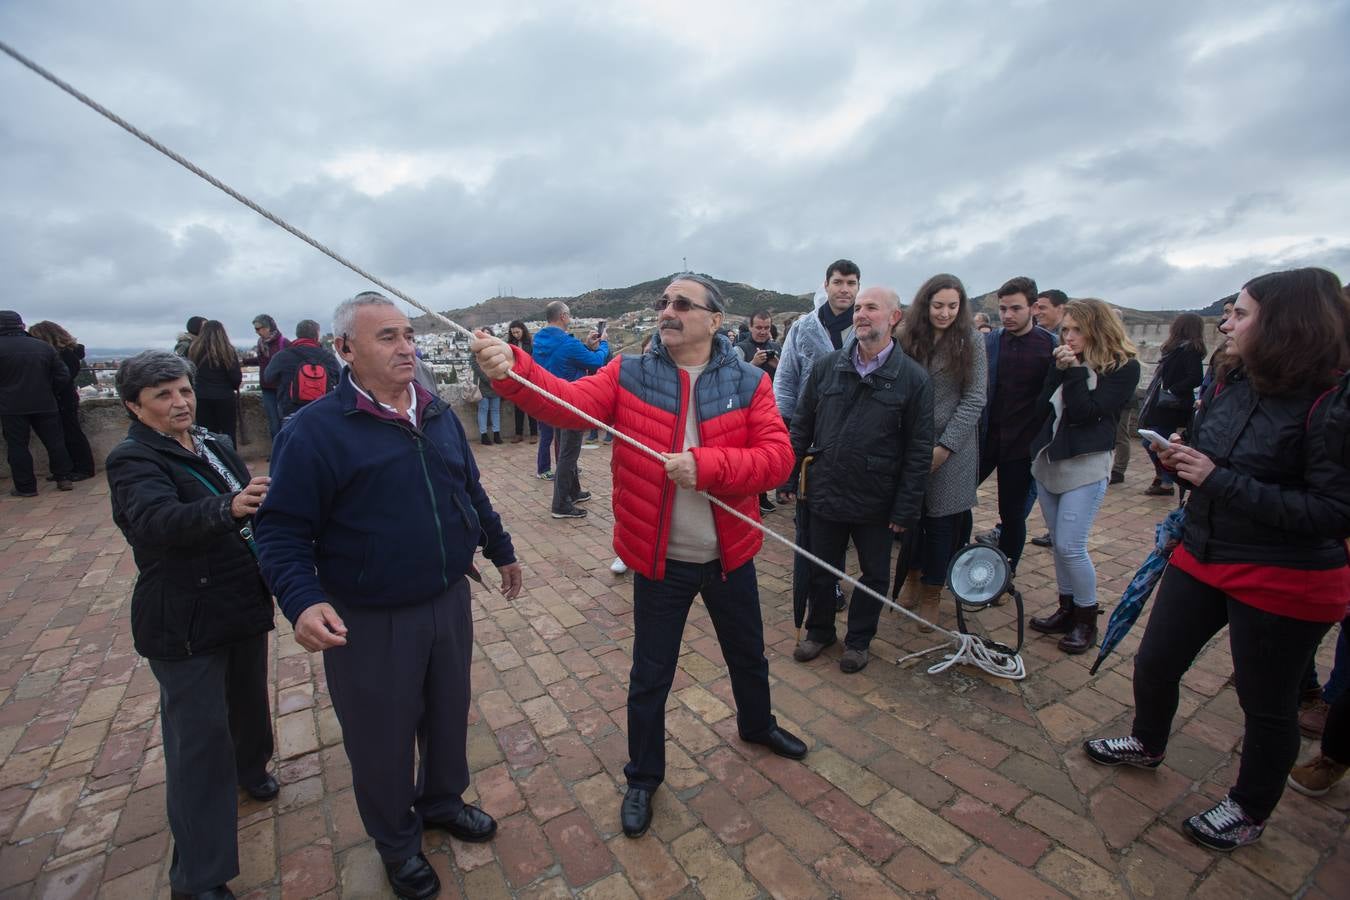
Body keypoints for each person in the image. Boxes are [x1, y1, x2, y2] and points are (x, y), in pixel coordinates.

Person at [472, 274, 806, 838]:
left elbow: (777, 460)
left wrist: (707, 466)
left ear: (714, 320)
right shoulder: (628, 373)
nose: (667, 310)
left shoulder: (751, 381)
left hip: (731, 555)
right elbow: (568, 405)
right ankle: (643, 777)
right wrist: (515, 369)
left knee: (748, 656)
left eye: (681, 303)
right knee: (650, 675)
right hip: (660, 561)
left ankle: (757, 724)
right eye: (663, 302)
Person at [255, 292, 521, 900]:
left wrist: (499, 548)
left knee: (449, 712)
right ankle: (397, 844)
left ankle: (442, 801)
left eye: (408, 335)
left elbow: (469, 490)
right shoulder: (315, 432)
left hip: (448, 599)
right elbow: (281, 529)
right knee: (381, 738)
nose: (407, 347)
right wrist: (300, 600)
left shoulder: (434, 411)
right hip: (368, 618)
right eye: (388, 337)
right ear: (345, 349)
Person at [1084, 268, 1350, 851]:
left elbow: (1333, 511)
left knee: (1266, 703)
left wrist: (1219, 481)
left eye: (1242, 313)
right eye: (1228, 312)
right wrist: (1178, 458)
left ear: (1285, 324)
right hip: (1203, 549)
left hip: (1284, 574)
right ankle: (1147, 742)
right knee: (1154, 662)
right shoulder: (1231, 379)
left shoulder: (1332, 402)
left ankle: (1250, 807)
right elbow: (1209, 453)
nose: (1226, 323)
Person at [105, 350, 276, 900]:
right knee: (197, 745)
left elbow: (250, 502)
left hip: (238, 601)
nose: (179, 402)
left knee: (248, 701)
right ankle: (199, 877)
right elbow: (154, 523)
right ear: (134, 406)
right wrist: (228, 508)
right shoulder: (133, 460)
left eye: (183, 390)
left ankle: (251, 769)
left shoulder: (213, 444)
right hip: (184, 616)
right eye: (163, 396)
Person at [787, 286, 935, 672]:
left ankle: (858, 640)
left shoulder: (914, 380)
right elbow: (802, 425)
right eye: (857, 308)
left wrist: (905, 508)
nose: (861, 314)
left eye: (871, 307)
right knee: (822, 567)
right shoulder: (826, 367)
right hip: (827, 490)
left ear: (894, 317)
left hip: (877, 499)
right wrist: (787, 475)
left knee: (873, 574)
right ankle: (820, 631)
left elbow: (919, 450)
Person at [1025, 299, 1141, 653]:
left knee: (1071, 545)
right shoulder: (1064, 360)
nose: (1070, 337)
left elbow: (1086, 412)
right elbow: (1041, 404)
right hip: (1050, 460)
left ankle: (1087, 620)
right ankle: (1066, 608)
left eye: (1078, 330)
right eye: (1066, 330)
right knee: (1059, 542)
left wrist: (1074, 371)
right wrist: (1058, 371)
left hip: (1086, 463)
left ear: (1097, 329)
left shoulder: (1123, 368)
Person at [894, 276, 987, 632]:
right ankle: (913, 577)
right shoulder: (906, 337)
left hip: (955, 445)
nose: (945, 313)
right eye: (938, 305)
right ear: (925, 305)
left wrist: (946, 446)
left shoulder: (971, 342)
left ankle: (933, 592)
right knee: (912, 515)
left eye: (952, 306)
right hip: (912, 439)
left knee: (943, 521)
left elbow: (975, 396)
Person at [973, 278, 1057, 578]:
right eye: (1003, 309)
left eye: (1015, 308)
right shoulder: (989, 342)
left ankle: (1006, 575)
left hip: (1022, 446)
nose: (1008, 315)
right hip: (985, 439)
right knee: (957, 500)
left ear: (1033, 308)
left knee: (1011, 515)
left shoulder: (1051, 347)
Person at [531, 301, 609, 518]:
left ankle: (573, 491)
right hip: (570, 401)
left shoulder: (539, 340)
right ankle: (560, 504)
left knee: (563, 450)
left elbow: (567, 357)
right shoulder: (567, 343)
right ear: (563, 316)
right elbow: (596, 362)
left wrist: (584, 345)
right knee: (569, 453)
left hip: (549, 402)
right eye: (569, 315)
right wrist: (603, 344)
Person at [0, 310, 74, 495]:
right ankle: (63, 478)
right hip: (45, 402)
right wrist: (49, 391)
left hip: (10, 405)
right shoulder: (43, 347)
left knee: (17, 446)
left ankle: (26, 487)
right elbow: (62, 375)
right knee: (55, 442)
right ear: (21, 325)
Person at [1138, 313, 1206, 497]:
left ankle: (1166, 479)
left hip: (1173, 404)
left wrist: (1173, 390)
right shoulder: (1176, 349)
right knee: (1153, 440)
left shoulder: (1190, 350)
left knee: (1155, 441)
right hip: (1164, 402)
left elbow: (1196, 377)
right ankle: (1164, 477)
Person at [28, 321, 96, 481]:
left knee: (71, 432)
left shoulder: (65, 355)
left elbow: (64, 377)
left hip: (63, 398)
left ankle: (83, 468)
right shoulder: (68, 353)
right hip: (63, 397)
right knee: (65, 434)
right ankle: (70, 468)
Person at [735, 310, 782, 514]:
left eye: (766, 328)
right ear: (751, 327)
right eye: (759, 328)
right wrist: (753, 364)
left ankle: (762, 496)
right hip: (746, 409)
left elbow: (786, 376)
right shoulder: (740, 348)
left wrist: (777, 365)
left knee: (767, 455)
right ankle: (752, 499)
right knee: (750, 456)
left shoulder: (776, 348)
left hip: (771, 407)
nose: (763, 332)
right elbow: (732, 376)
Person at [263, 319, 340, 423]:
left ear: (297, 334)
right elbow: (340, 378)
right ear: (316, 336)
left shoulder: (283, 355)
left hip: (291, 413)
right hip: (322, 412)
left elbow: (268, 377)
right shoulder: (328, 357)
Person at [186, 321, 243, 447]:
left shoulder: (194, 349)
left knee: (206, 433)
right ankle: (231, 462)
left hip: (201, 396)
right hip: (224, 396)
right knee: (228, 432)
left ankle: (211, 462)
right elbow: (235, 377)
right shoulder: (227, 351)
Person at [241, 314, 289, 439]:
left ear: (269, 327)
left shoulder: (283, 343)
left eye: (259, 328)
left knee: (284, 421)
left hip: (281, 387)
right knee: (273, 423)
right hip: (267, 387)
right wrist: (244, 362)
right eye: (255, 329)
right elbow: (262, 361)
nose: (257, 332)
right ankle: (276, 452)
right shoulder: (261, 343)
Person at [505, 320, 538, 443]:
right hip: (516, 378)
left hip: (529, 378)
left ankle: (534, 433)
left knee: (531, 407)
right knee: (518, 407)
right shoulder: (509, 344)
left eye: (517, 332)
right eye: (513, 333)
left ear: (523, 330)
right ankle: (518, 433)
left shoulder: (530, 343)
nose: (516, 335)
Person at [469, 329, 503, 445]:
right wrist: (488, 379)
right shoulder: (476, 351)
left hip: (495, 384)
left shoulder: (496, 350)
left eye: (488, 333)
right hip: (483, 385)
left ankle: (496, 433)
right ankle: (483, 434)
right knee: (483, 410)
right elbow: (475, 366)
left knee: (495, 410)